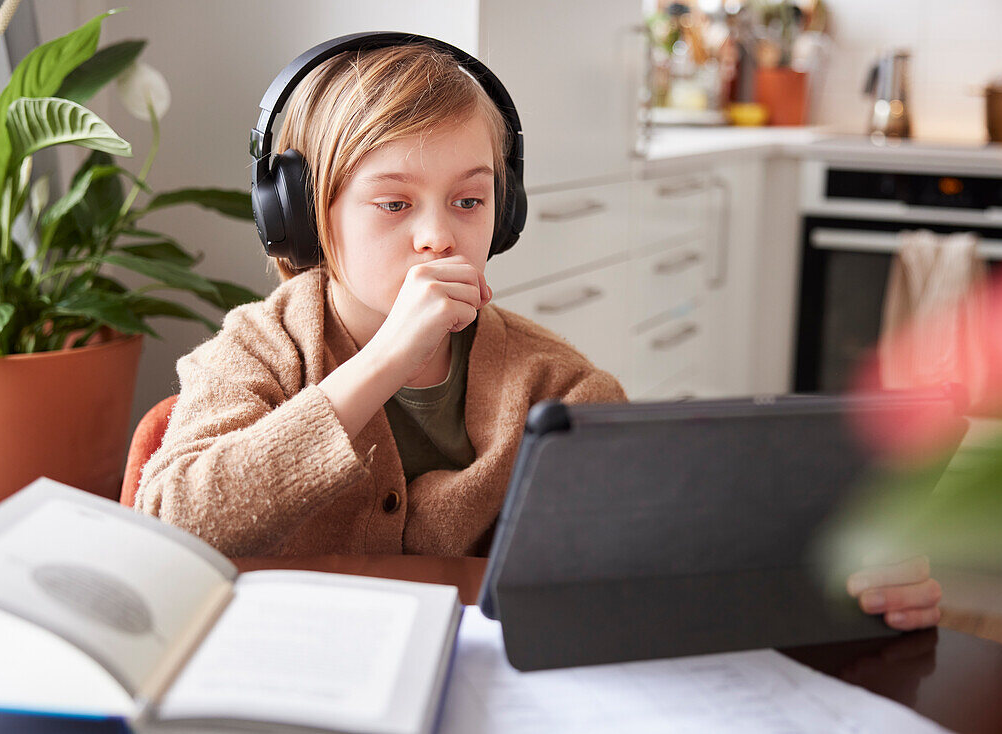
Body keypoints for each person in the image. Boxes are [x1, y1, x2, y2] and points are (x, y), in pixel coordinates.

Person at [134, 37, 941, 631]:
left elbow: (661, 542)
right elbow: (170, 523)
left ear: (506, 212)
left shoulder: (557, 384)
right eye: (393, 203)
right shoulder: (254, 349)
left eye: (469, 200)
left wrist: (839, 577)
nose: (436, 236)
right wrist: (379, 365)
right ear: (304, 212)